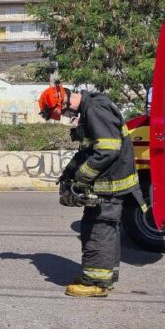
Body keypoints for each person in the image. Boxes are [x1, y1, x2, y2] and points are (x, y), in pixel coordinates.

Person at [55, 89, 142, 298]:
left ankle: (96, 283)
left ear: (65, 103)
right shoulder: (90, 108)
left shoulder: (94, 108)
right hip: (109, 183)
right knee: (103, 229)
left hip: (109, 185)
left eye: (63, 113)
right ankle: (102, 278)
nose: (67, 117)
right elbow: (90, 149)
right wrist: (69, 173)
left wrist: (82, 177)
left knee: (98, 230)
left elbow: (107, 151)